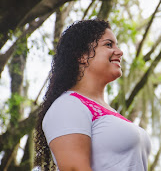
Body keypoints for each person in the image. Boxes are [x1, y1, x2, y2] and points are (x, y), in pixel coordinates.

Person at [35, 19, 151, 171]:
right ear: (81, 56)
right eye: (108, 44)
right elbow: (74, 168)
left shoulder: (111, 113)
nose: (120, 51)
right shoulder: (68, 105)